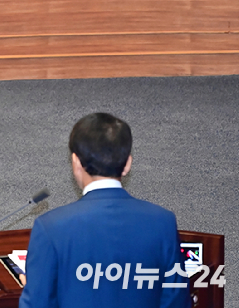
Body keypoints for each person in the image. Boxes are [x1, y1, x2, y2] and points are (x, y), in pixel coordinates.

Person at [19, 113, 191, 308]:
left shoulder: (49, 227)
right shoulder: (163, 222)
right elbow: (176, 301)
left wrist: (33, 290)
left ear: (76, 162)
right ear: (127, 164)